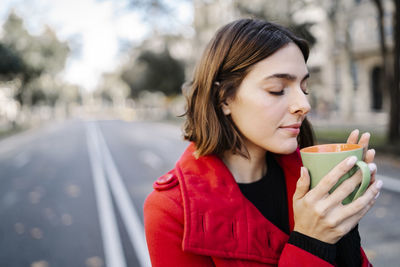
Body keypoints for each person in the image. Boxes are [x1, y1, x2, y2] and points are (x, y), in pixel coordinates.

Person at [143, 18, 381, 266]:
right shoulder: (170, 210)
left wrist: (342, 224)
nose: (304, 105)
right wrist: (312, 242)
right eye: (277, 89)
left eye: (304, 87)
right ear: (223, 98)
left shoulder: (311, 179)